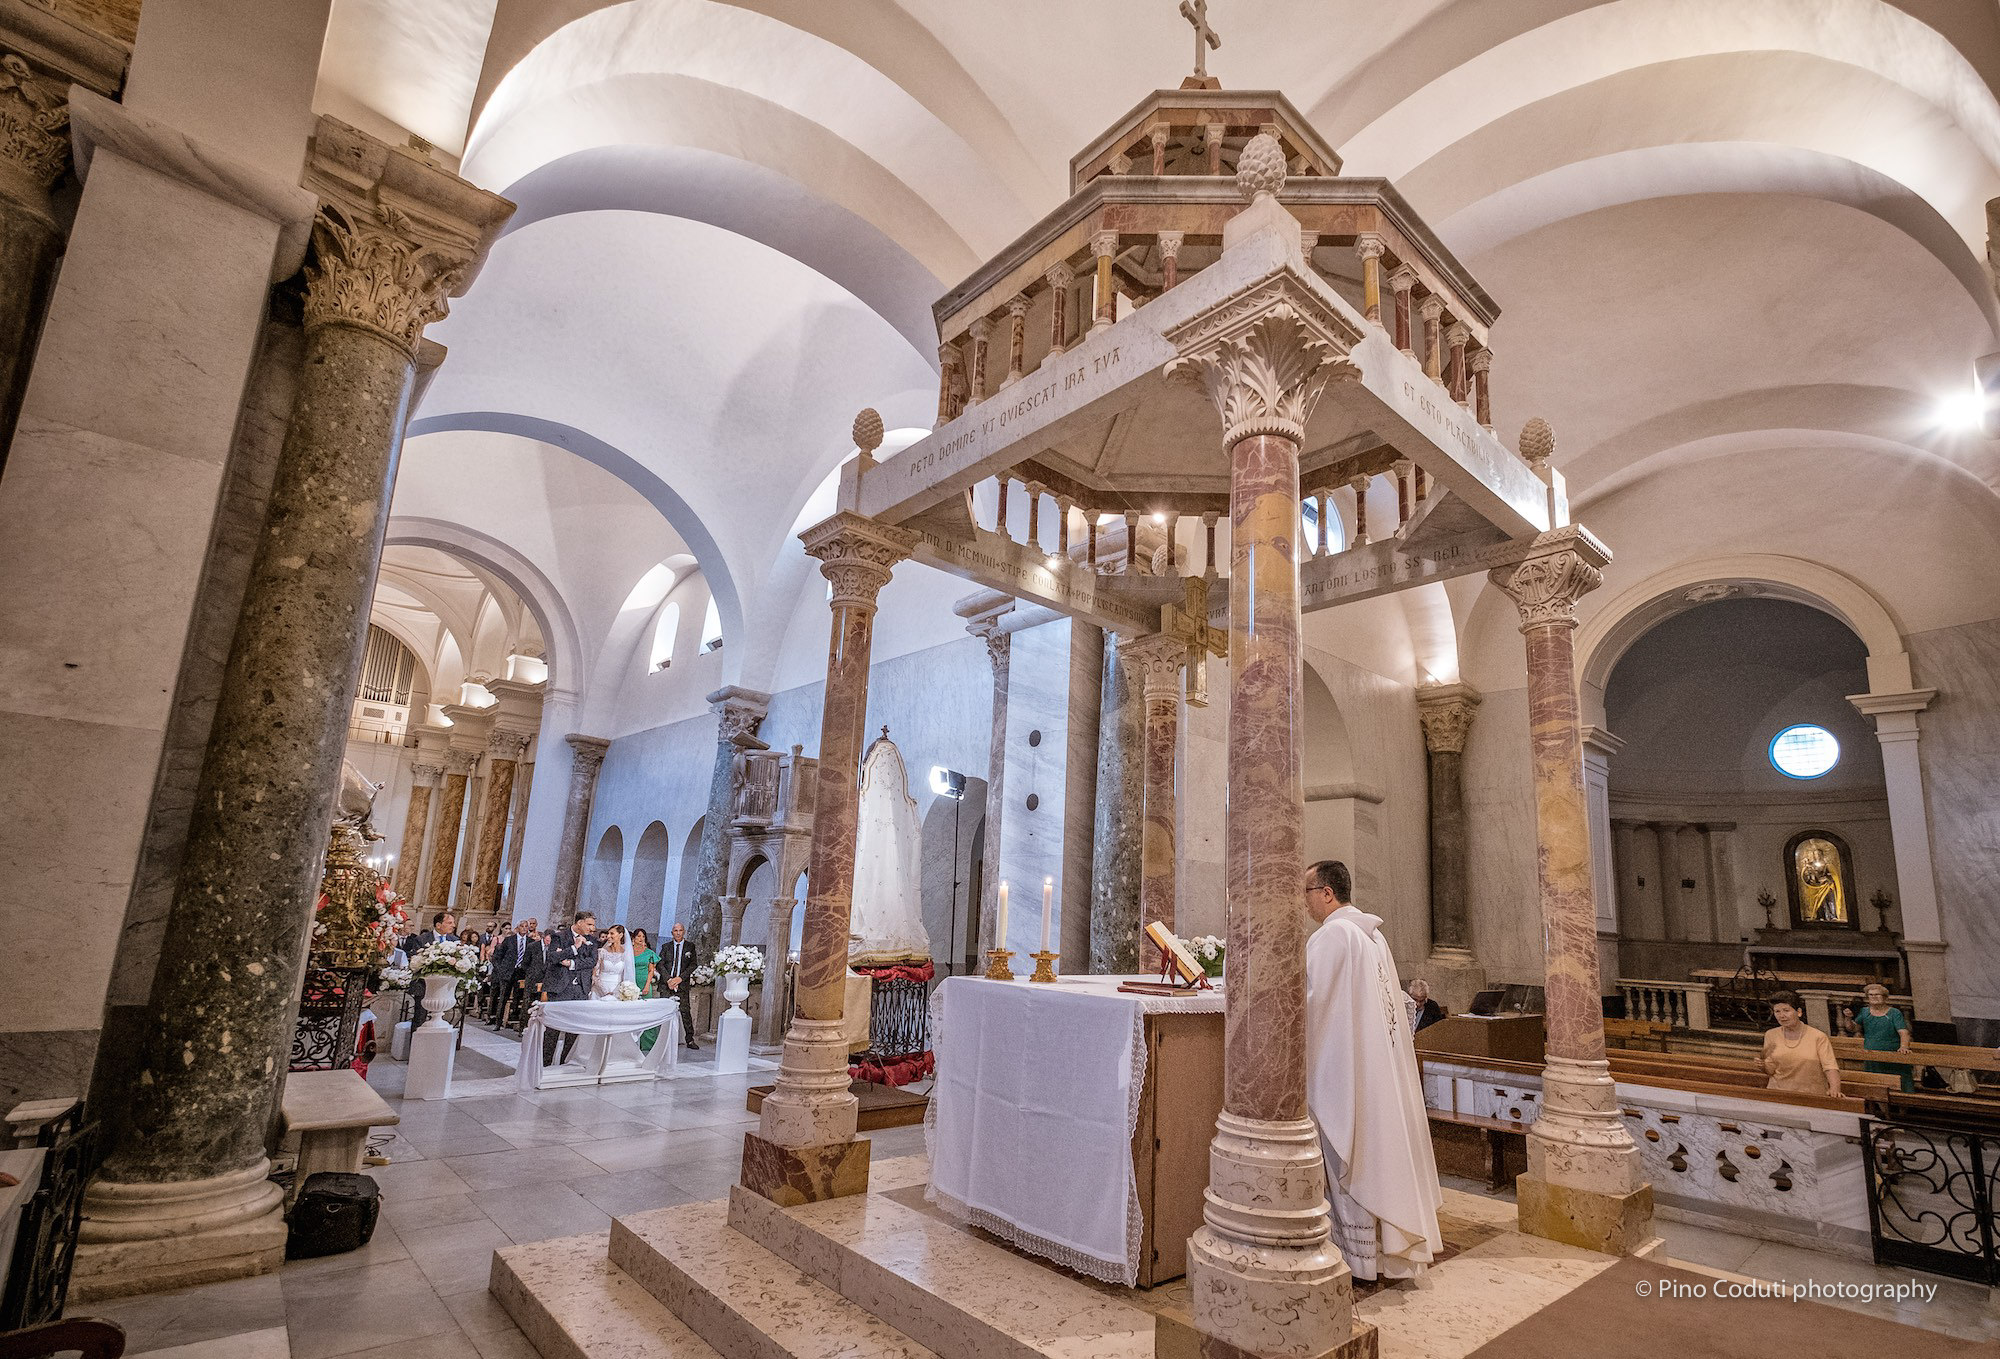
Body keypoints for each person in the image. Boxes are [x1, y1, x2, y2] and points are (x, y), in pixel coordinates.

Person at [1302, 859, 1443, 1282]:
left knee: (1349, 1154)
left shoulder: (1333, 937)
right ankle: (1379, 1252)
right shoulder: (1372, 936)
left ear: (1327, 893)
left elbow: (1310, 1004)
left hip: (1343, 1070)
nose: (1304, 903)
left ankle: (1357, 1258)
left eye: (1307, 892)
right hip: (1371, 1068)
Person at [1761, 990, 1842, 1096]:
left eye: (1786, 1010)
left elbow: (1830, 1067)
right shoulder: (1771, 1034)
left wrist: (1835, 1089)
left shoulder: (1818, 1036)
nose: (1782, 1016)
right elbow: (1771, 1070)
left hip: (1811, 1095)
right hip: (1779, 1093)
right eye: (1777, 1012)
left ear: (1799, 1012)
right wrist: (1763, 1066)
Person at [542, 912, 598, 1064]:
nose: (593, 928)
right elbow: (552, 958)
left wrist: (571, 963)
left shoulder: (592, 940)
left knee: (573, 1030)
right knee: (553, 1029)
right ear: (579, 922)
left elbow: (592, 961)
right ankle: (545, 1065)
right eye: (589, 924)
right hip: (560, 988)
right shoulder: (559, 937)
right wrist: (574, 948)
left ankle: (565, 1064)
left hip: (580, 989)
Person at [1854, 982, 1913, 1092]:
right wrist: (1848, 1018)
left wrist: (1904, 1046)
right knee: (1876, 1086)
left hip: (1892, 1054)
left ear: (1885, 997)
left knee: (1899, 1084)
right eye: (1871, 995)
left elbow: (1903, 1032)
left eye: (1877, 994)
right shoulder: (1864, 1011)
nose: (1874, 997)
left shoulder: (1894, 1013)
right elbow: (1854, 1028)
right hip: (1871, 1055)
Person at [659, 921, 702, 1050]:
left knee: (685, 1011)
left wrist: (680, 978)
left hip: (682, 984)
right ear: (672, 933)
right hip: (667, 984)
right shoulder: (666, 947)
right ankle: (662, 1039)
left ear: (684, 932)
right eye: (675, 930)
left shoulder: (690, 946)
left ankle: (689, 1039)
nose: (678, 933)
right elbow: (660, 964)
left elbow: (693, 965)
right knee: (663, 1011)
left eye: (680, 930)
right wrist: (668, 980)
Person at [591, 925, 635, 998]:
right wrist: (604, 990)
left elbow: (627, 974)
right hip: (599, 990)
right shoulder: (602, 952)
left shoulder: (626, 954)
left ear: (620, 935)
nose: (608, 936)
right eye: (608, 933)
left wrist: (619, 991)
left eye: (612, 933)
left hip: (618, 991)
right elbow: (594, 973)